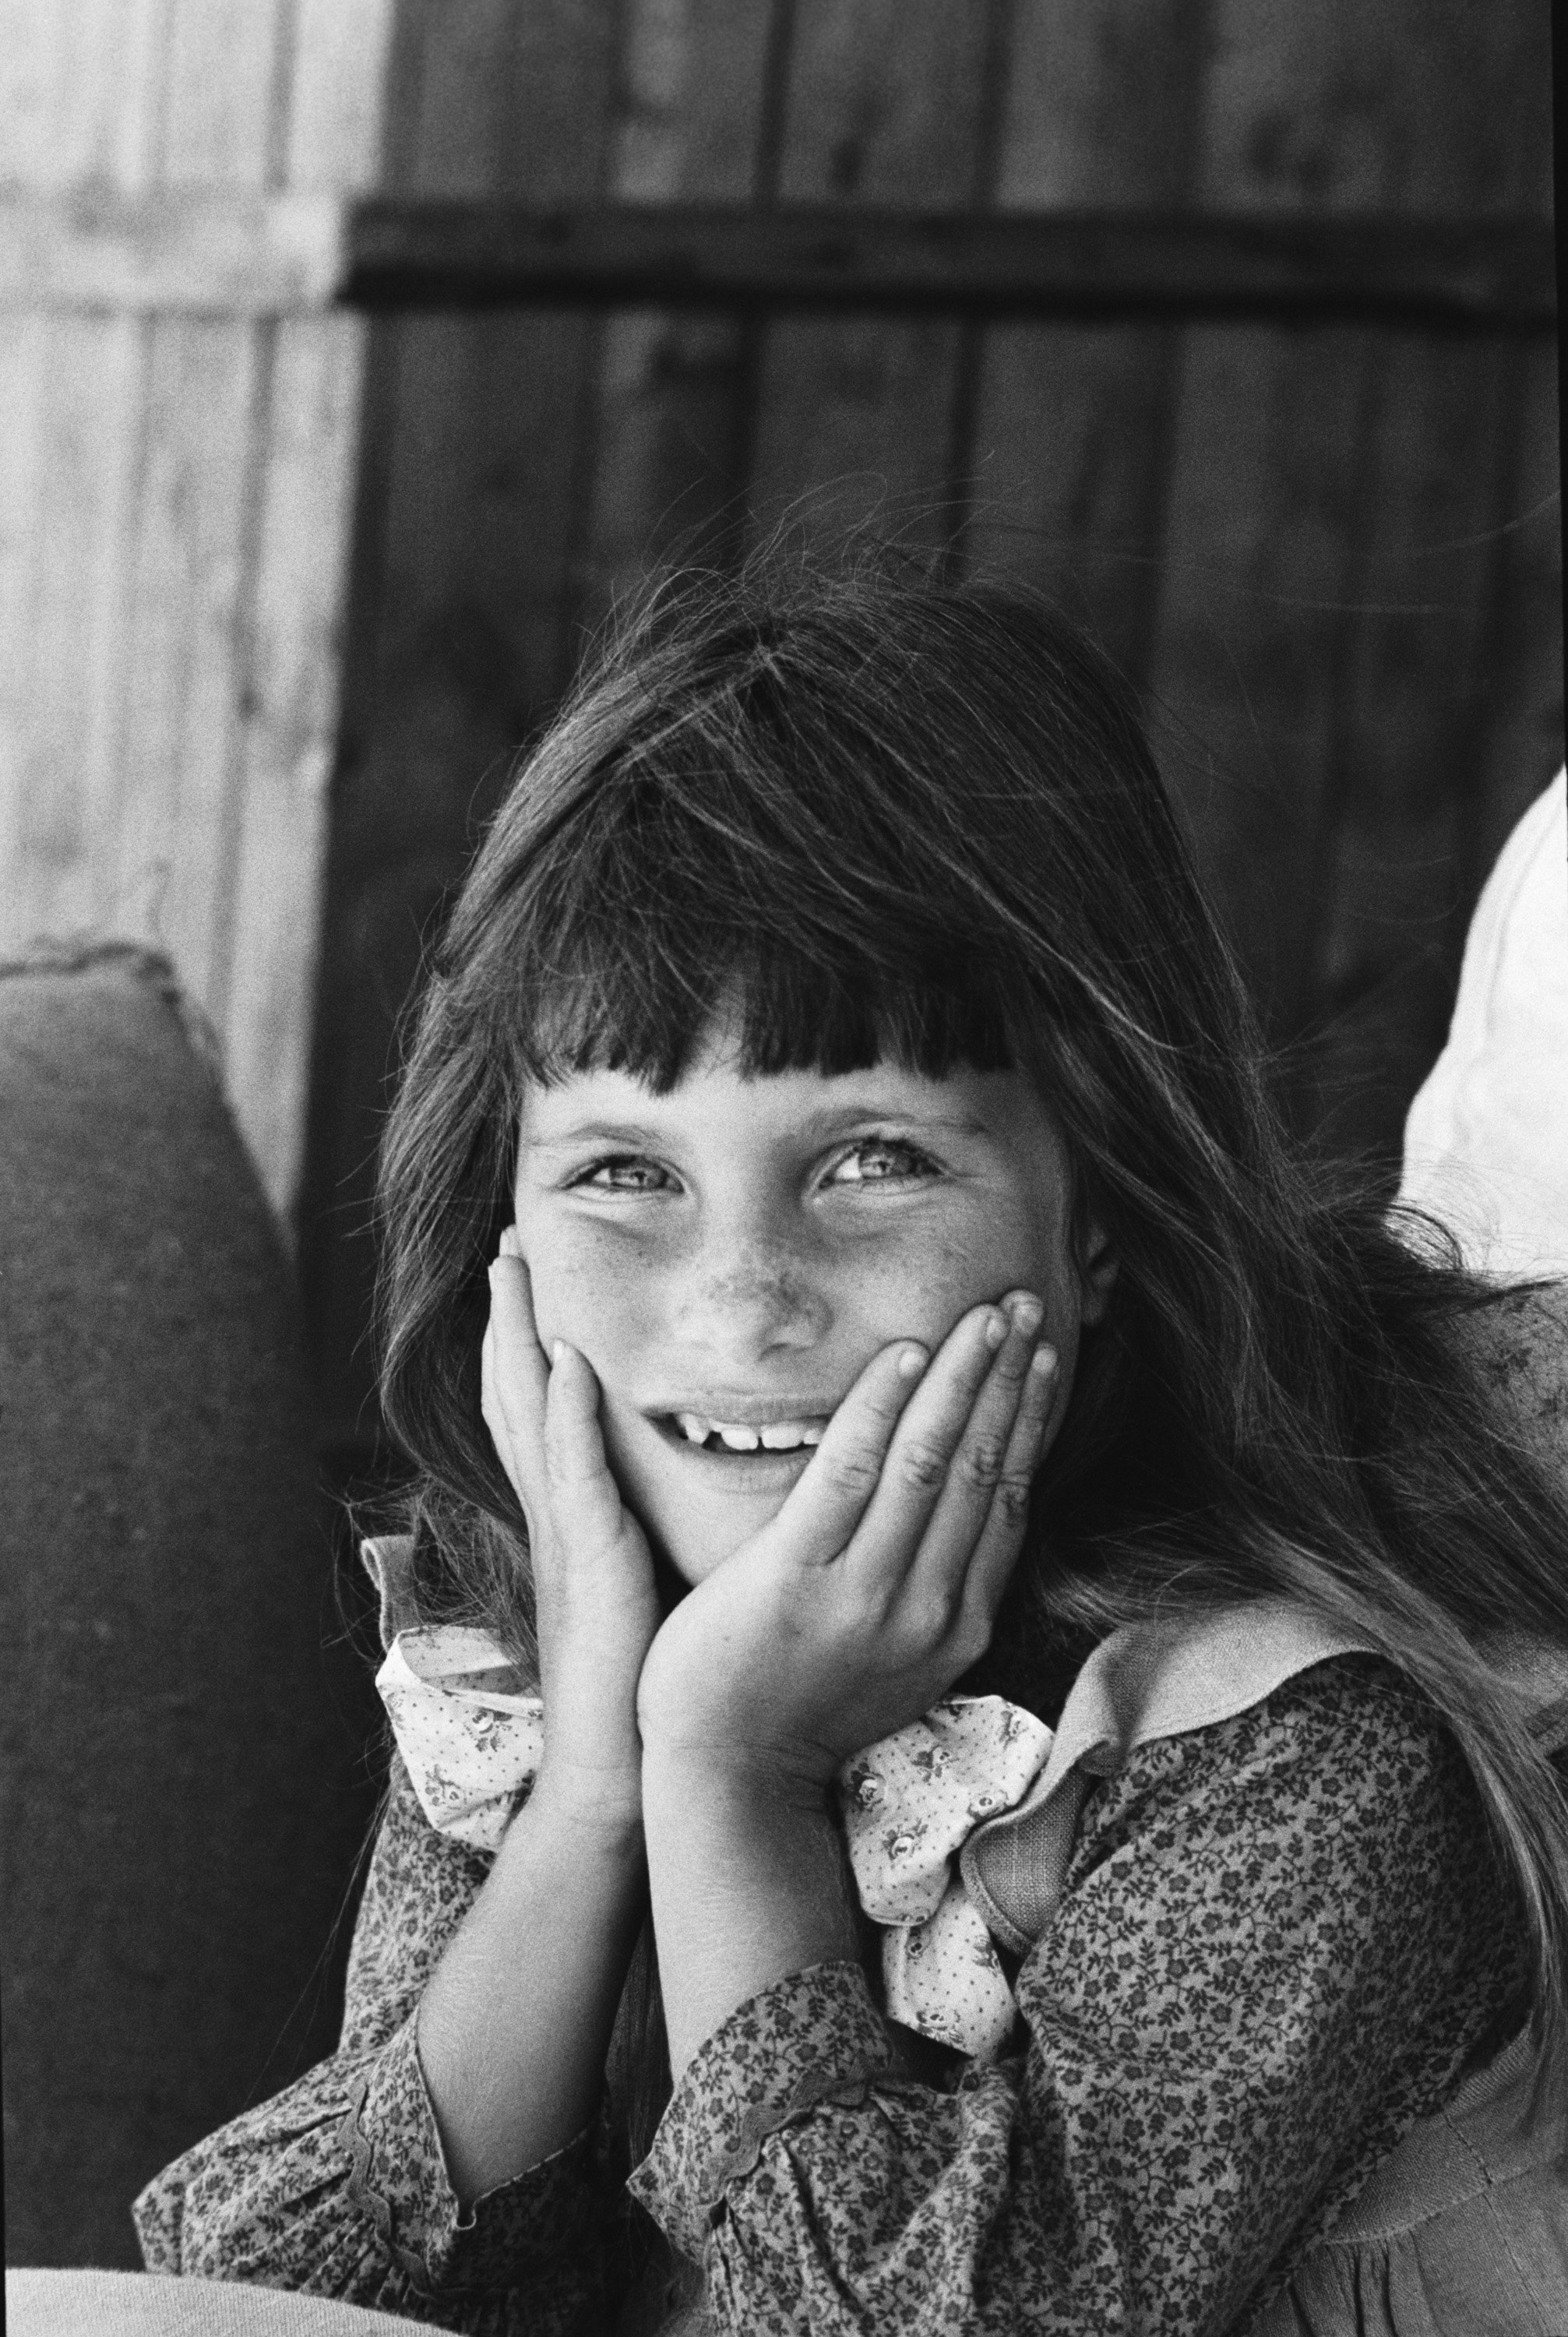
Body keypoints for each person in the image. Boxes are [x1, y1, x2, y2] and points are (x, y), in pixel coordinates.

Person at [133, 557, 1568, 2335]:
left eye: (872, 1160)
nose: (739, 1306)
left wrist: (731, 1778)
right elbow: (287, 2304)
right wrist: (597, 1785)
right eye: (621, 1175)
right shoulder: (548, 1629)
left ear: (1102, 1211)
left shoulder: (1300, 1753)